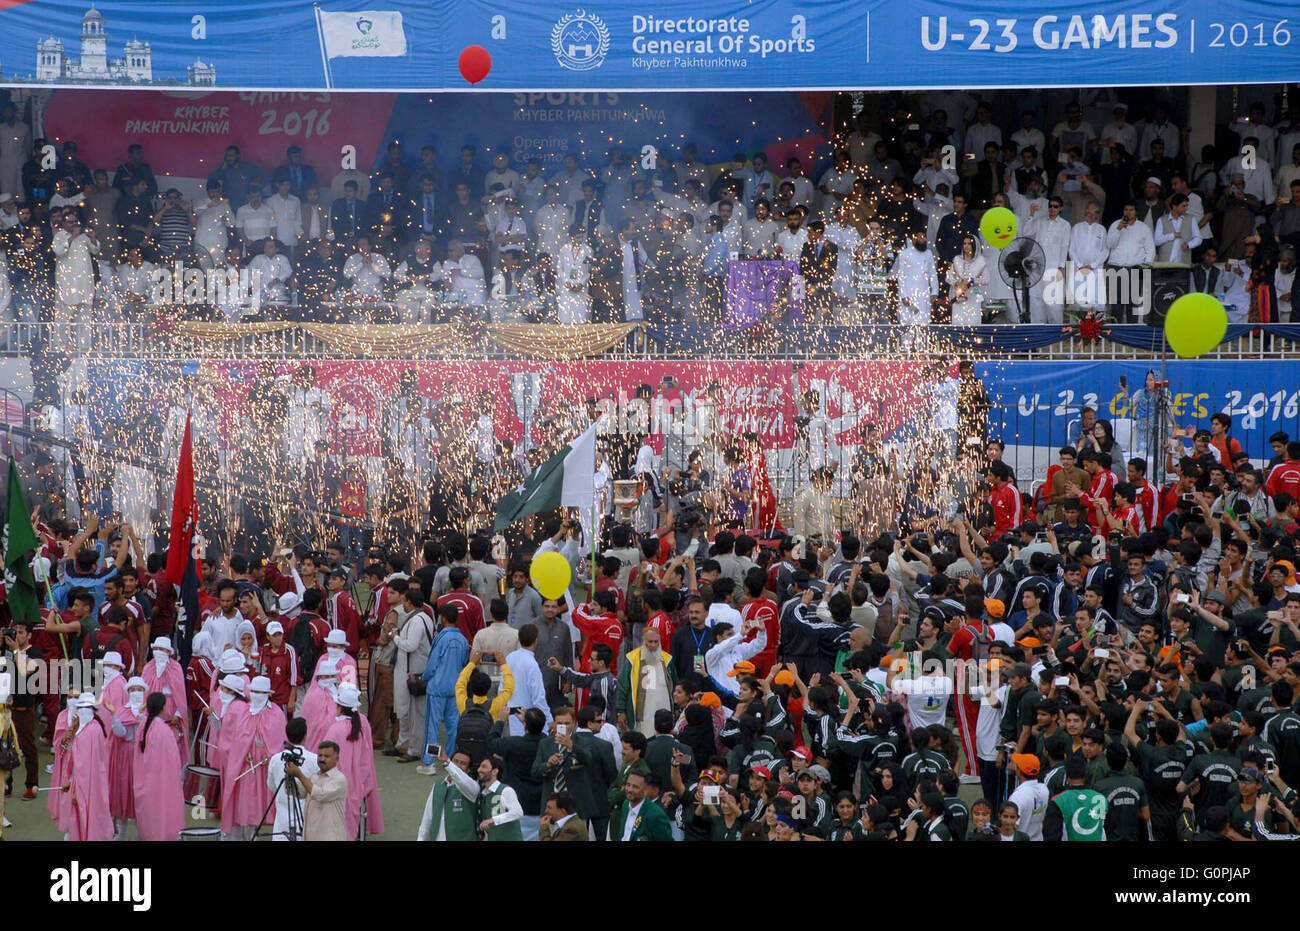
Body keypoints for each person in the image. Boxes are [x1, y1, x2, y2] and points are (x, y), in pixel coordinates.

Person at [132, 692, 185, 842]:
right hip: (162, 783)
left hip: (144, 781)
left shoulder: (144, 726)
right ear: (163, 707)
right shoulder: (163, 731)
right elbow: (173, 761)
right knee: (163, 816)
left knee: (149, 819)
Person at [265, 717, 319, 841]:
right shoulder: (314, 760)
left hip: (282, 823)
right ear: (306, 735)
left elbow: (272, 786)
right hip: (306, 822)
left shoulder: (275, 759)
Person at [289, 739, 348, 841]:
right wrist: (289, 777)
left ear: (337, 758)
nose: (322, 759)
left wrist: (299, 774)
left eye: (327, 756)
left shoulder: (339, 779)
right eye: (320, 755)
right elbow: (299, 792)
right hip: (311, 835)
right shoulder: (314, 776)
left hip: (330, 836)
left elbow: (320, 795)